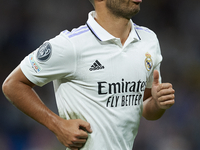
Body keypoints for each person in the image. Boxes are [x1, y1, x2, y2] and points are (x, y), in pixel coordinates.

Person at [2, 0, 175, 150]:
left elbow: (144, 107)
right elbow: (12, 84)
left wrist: (158, 104)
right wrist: (57, 125)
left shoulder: (148, 40)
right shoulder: (71, 45)